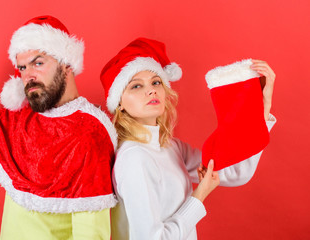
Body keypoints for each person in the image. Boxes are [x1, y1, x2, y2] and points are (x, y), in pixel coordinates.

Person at [0, 15, 117, 240]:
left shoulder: (89, 133)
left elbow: (90, 233)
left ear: (66, 63)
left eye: (38, 63)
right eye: (23, 67)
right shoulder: (19, 122)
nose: (29, 75)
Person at [99, 37, 276, 240]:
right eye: (136, 86)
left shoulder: (170, 147)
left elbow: (235, 172)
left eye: (156, 82)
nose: (151, 90)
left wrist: (262, 110)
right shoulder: (134, 158)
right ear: (119, 103)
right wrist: (199, 195)